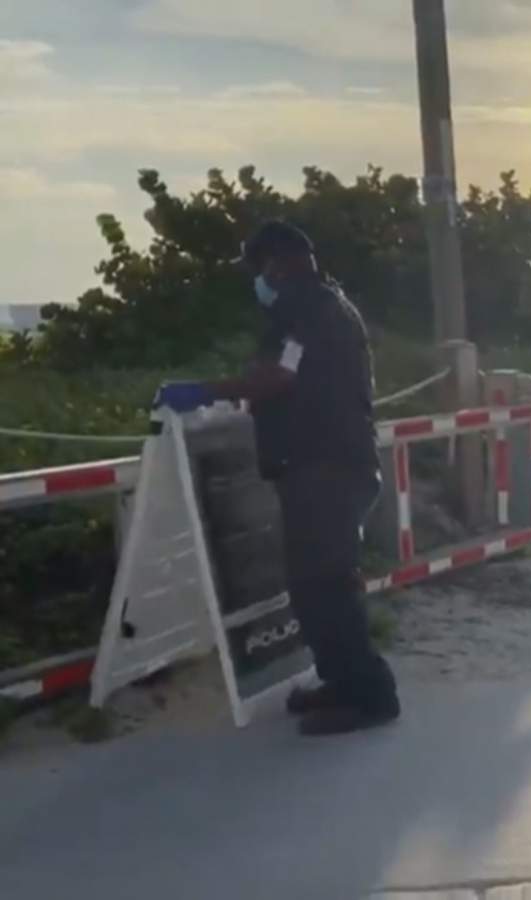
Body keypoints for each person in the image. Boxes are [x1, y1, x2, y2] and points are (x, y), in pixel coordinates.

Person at [156, 221, 399, 736]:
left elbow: (280, 376)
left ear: (278, 264)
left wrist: (205, 390)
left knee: (327, 586)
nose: (257, 281)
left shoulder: (306, 308)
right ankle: (339, 680)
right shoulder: (328, 304)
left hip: (326, 470)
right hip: (330, 465)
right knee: (315, 586)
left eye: (259, 269)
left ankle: (370, 696)